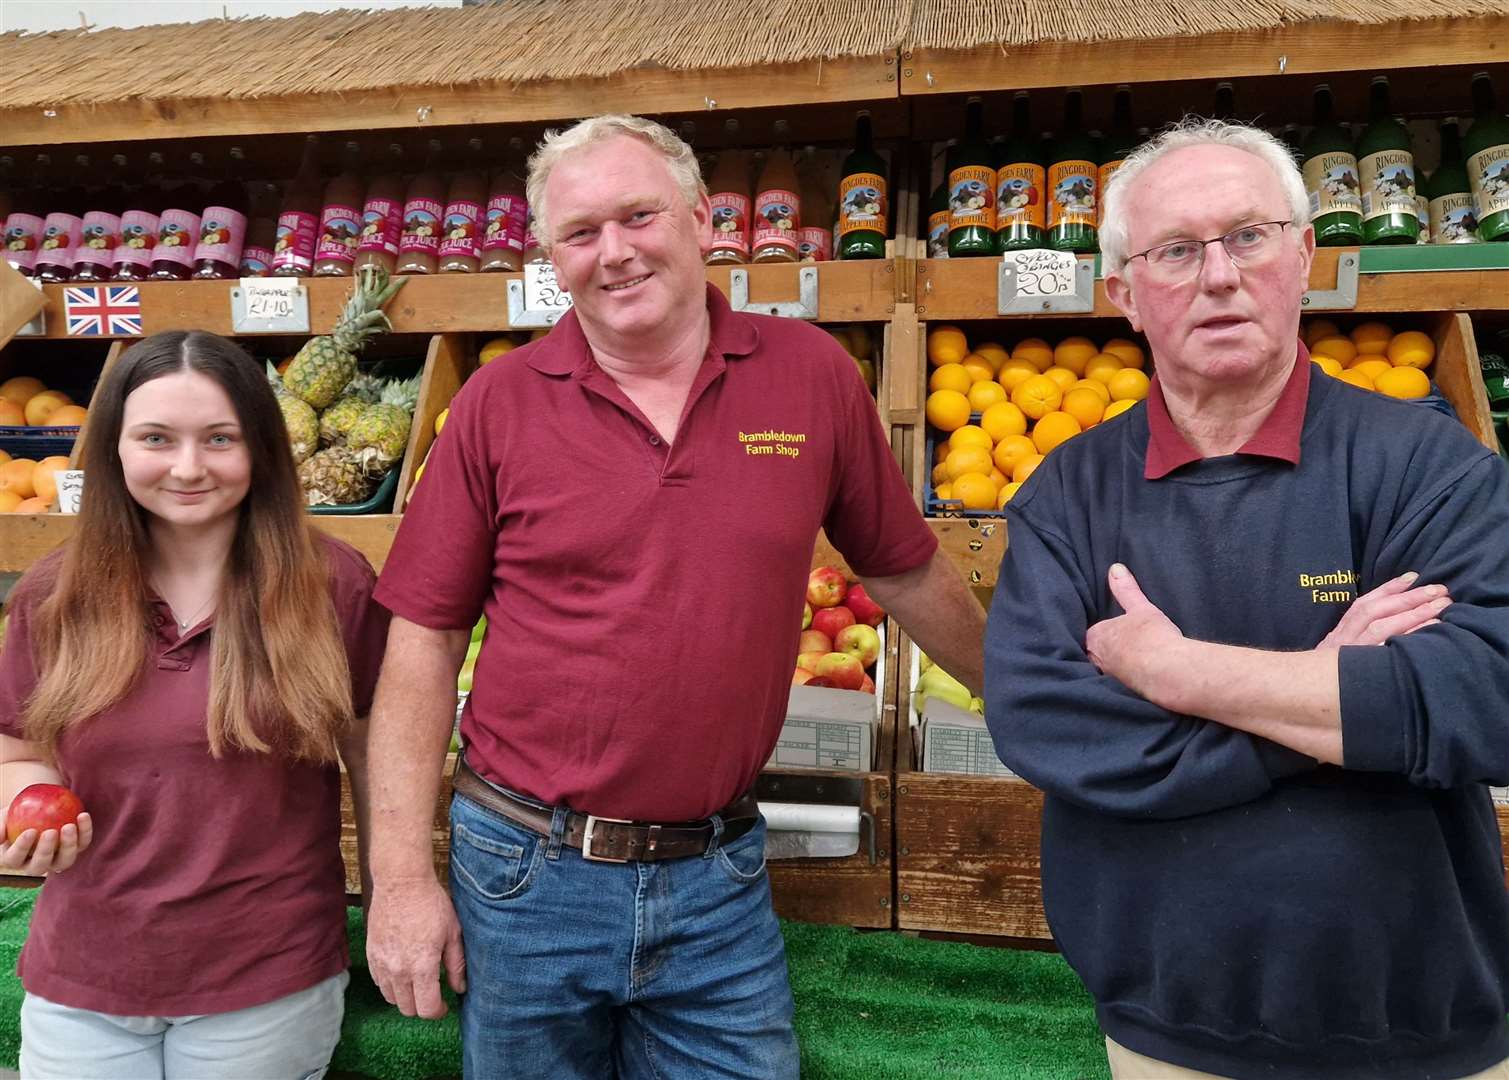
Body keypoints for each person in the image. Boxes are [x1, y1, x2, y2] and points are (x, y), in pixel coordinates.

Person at [361, 114, 986, 1078]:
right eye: (578, 234)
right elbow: (425, 640)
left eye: (638, 215)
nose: (613, 253)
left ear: (700, 219)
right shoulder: (497, 403)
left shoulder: (812, 376)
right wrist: (398, 878)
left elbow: (902, 569)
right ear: (551, 258)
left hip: (719, 868)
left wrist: (1030, 697)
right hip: (525, 868)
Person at [985, 117, 1509, 1080]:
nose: (1217, 275)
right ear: (1124, 296)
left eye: (1247, 236)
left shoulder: (1425, 465)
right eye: (1175, 251)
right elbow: (1049, 727)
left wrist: (1173, 670)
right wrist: (1326, 690)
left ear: (1302, 254)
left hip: (1427, 1032)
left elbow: (1487, 697)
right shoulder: (1066, 493)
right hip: (1162, 1029)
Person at [0, 331, 389, 1080]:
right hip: (86, 971)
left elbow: (376, 755)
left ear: (263, 449)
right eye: (155, 438)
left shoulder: (329, 585)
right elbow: (16, 748)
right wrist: (23, 809)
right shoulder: (55, 595)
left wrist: (389, 896)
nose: (187, 467)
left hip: (264, 974)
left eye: (219, 439)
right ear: (112, 448)